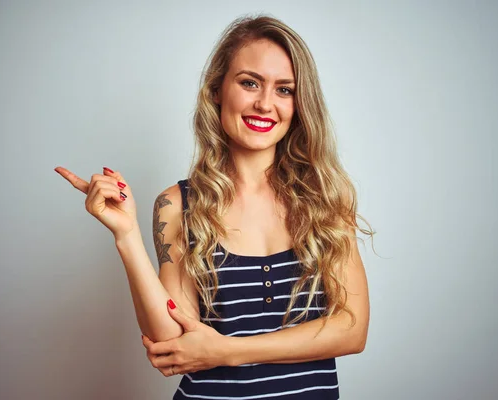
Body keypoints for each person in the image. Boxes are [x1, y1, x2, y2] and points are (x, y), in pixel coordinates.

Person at [55, 14, 371, 400]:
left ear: (300, 102)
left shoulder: (327, 200)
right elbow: (171, 341)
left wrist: (229, 350)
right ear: (218, 89)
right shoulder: (178, 204)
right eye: (249, 82)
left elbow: (352, 331)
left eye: (285, 90)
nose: (265, 103)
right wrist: (127, 236)